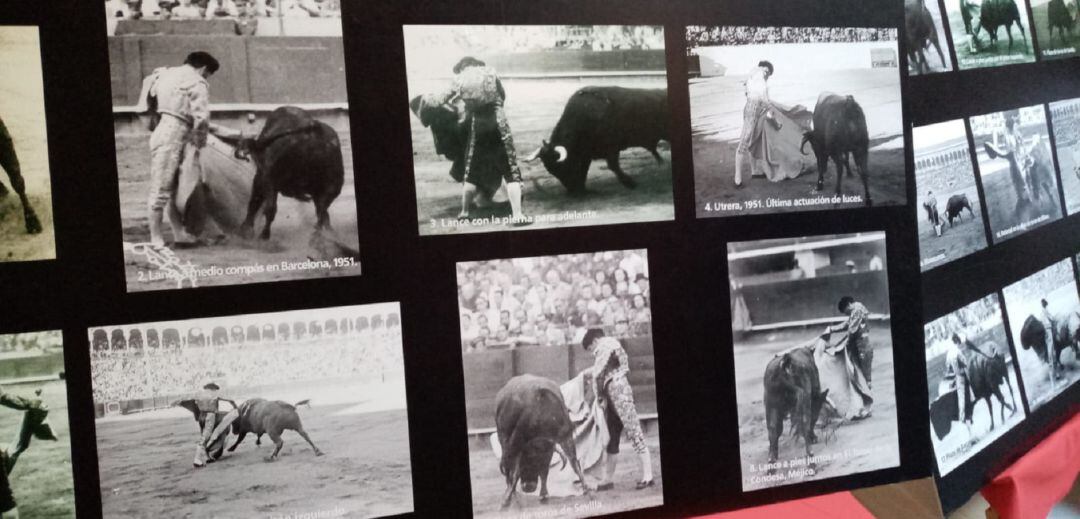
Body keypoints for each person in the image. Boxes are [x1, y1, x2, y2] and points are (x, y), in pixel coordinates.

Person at [141, 51, 220, 247]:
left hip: (162, 130)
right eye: (207, 74)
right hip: (175, 135)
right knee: (162, 188)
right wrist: (200, 143)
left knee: (172, 186)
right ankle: (156, 239)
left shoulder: (163, 74)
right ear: (203, 68)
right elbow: (201, 118)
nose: (206, 78)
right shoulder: (196, 81)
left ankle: (179, 234)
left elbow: (149, 101)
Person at [449, 57, 528, 224]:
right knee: (510, 170)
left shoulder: (459, 80)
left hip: (477, 125)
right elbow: (503, 96)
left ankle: (464, 213)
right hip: (497, 123)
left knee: (471, 171)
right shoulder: (491, 73)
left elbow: (449, 101)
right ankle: (518, 215)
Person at [581, 328, 654, 490]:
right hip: (615, 395)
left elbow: (598, 376)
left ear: (594, 342)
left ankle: (648, 477)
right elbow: (603, 371)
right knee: (613, 437)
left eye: (591, 349)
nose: (593, 353)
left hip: (618, 393)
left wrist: (599, 396)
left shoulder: (605, 346)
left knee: (634, 432)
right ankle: (607, 480)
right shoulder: (611, 346)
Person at [735, 61, 774, 187]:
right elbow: (763, 98)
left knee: (754, 140)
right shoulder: (756, 75)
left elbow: (752, 93)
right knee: (745, 141)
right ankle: (737, 177)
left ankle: (754, 171)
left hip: (757, 110)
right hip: (752, 110)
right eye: (765, 70)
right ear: (761, 68)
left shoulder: (758, 80)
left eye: (768, 73)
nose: (766, 74)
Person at [826, 296, 873, 390]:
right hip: (859, 343)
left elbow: (851, 330)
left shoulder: (857, 310)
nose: (846, 314)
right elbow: (848, 324)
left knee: (864, 374)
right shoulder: (856, 310)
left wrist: (844, 344)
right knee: (858, 369)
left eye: (845, 311)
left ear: (848, 305)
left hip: (862, 344)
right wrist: (832, 329)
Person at [193, 382, 237, 468]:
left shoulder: (199, 394)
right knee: (205, 437)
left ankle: (207, 456)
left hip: (201, 416)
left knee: (204, 435)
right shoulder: (214, 394)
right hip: (210, 416)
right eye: (215, 389)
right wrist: (235, 406)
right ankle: (197, 459)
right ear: (213, 388)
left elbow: (194, 404)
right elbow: (230, 400)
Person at [946, 333, 974, 436]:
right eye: (959, 343)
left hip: (956, 379)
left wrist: (953, 379)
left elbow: (948, 369)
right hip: (963, 377)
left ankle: (962, 416)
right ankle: (965, 417)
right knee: (969, 397)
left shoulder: (949, 353)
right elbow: (966, 363)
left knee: (961, 398)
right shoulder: (958, 351)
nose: (959, 344)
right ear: (957, 342)